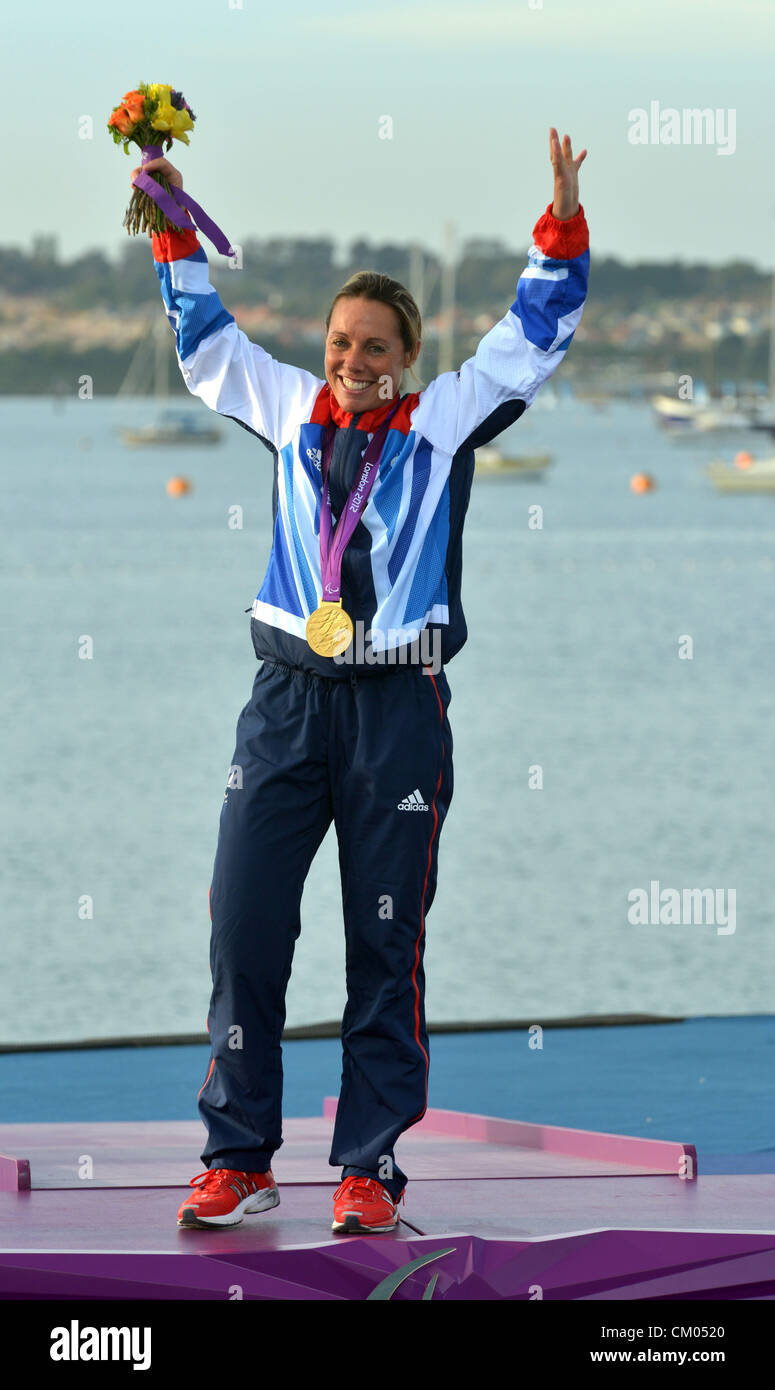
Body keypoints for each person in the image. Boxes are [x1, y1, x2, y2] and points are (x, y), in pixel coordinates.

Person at [131, 127, 588, 1235]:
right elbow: (203, 342)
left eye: (377, 344)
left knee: (384, 942)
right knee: (243, 925)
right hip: (284, 703)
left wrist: (561, 223)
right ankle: (238, 1154)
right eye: (342, 339)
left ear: (408, 354)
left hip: (395, 710)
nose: (354, 357)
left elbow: (534, 336)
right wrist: (171, 221)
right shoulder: (288, 411)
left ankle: (367, 1165)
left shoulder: (441, 423)